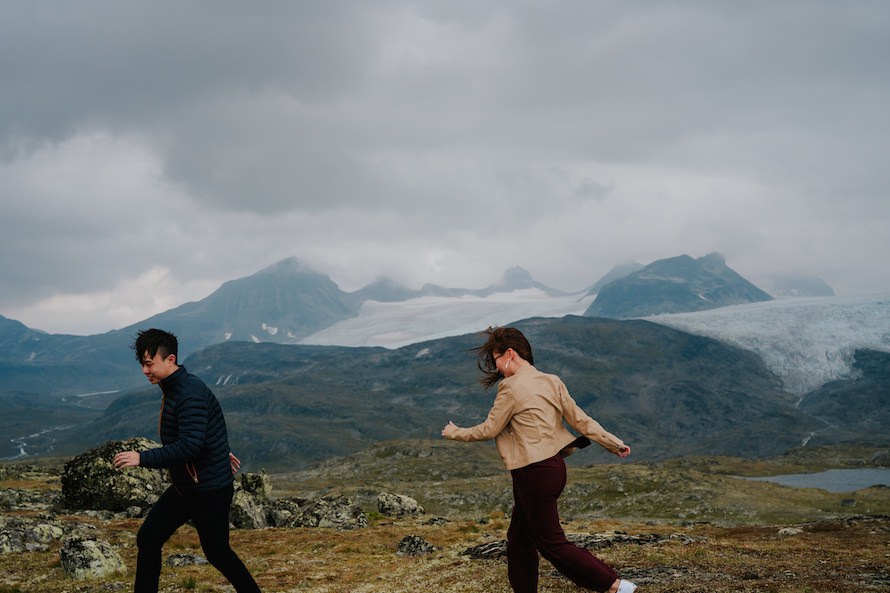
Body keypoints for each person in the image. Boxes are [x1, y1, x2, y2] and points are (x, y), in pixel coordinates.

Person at [442, 326, 637, 593]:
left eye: (496, 359)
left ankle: (617, 587)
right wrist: (614, 443)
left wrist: (454, 433)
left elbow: (489, 429)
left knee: (552, 544)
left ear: (509, 354)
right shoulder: (551, 380)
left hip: (533, 473)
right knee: (519, 540)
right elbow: (581, 420)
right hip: (553, 469)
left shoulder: (509, 387)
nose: (497, 368)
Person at [113, 328, 262, 593]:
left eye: (149, 364)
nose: (145, 371)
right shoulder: (176, 387)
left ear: (170, 360)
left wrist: (141, 458)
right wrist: (217, 449)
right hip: (188, 486)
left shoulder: (188, 392)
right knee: (148, 538)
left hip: (209, 491)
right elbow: (210, 421)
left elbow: (189, 447)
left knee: (217, 553)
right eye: (142, 364)